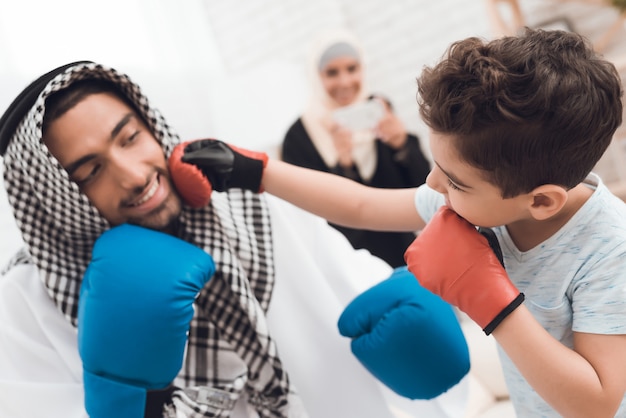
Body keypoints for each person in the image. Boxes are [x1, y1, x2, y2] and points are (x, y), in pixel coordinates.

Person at [178, 28, 626, 417]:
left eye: (453, 181)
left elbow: (597, 404)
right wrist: (258, 172)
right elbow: (361, 206)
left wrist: (494, 304)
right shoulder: (482, 200)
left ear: (542, 202)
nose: (433, 183)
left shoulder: (609, 250)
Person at [0, 61, 470, 418]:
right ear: (51, 201)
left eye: (129, 139)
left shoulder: (250, 211)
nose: (133, 175)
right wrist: (136, 401)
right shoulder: (28, 305)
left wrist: (425, 331)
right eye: (89, 173)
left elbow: (368, 288)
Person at [281, 28, 431, 267]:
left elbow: (423, 187)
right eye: (332, 72)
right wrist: (344, 165)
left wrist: (401, 144)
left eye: (352, 69)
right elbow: (314, 220)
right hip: (351, 267)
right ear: (315, 76)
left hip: (409, 256)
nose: (345, 81)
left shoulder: (378, 108)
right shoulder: (299, 137)